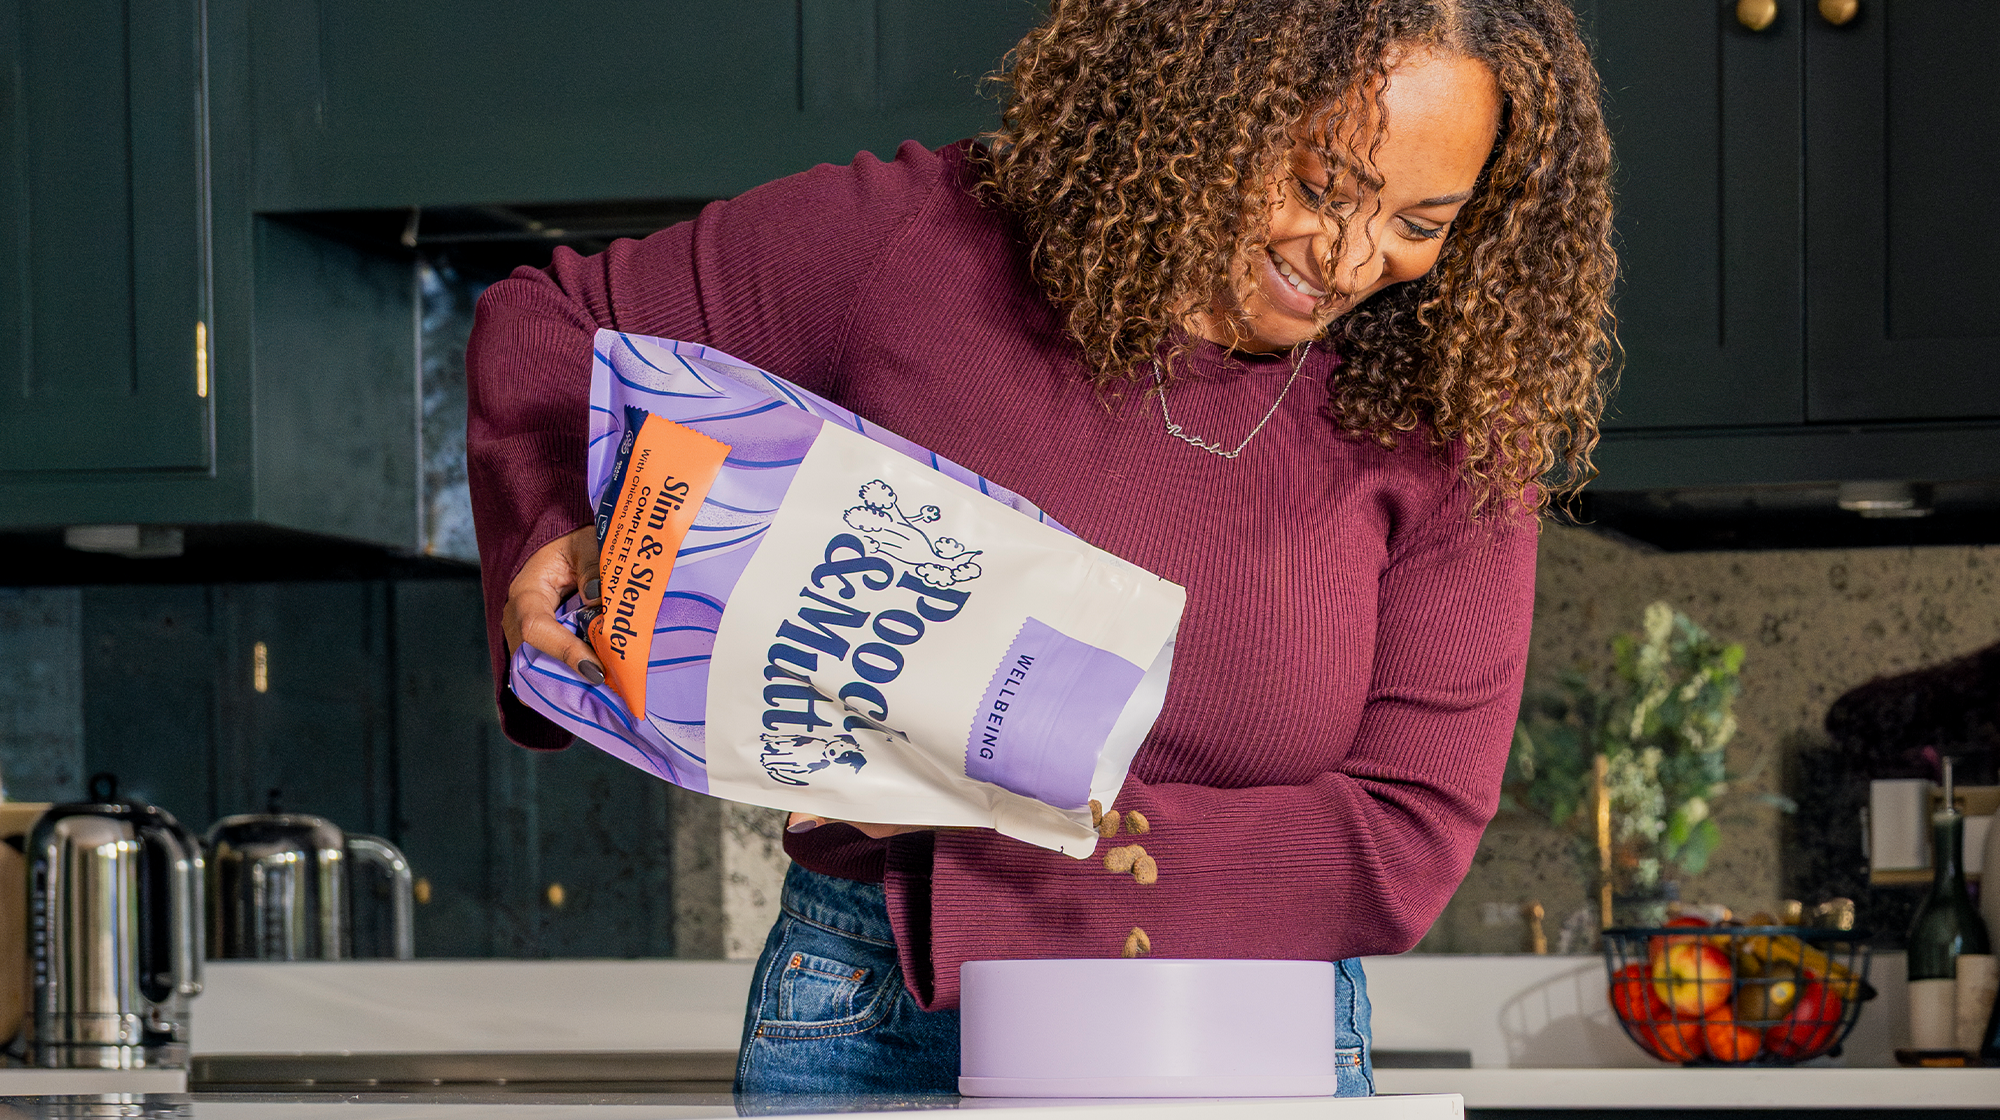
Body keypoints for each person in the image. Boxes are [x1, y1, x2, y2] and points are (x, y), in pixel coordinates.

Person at [466, 0, 1614, 1098]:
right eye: (1322, 184)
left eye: (1421, 222)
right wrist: (577, 529)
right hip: (875, 1021)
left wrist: (980, 834)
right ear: (1213, 94)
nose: (1351, 257)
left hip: (1255, 1035)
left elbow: (1401, 841)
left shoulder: (1448, 421)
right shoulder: (920, 244)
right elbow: (550, 326)